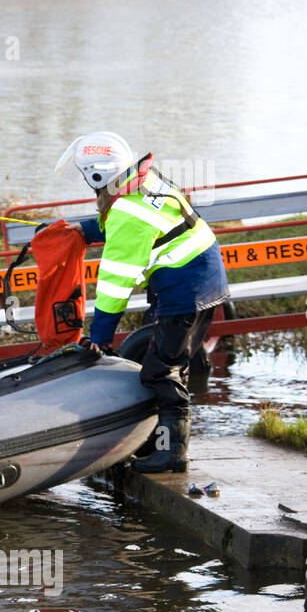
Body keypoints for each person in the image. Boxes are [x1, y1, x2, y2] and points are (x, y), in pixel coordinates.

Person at [54, 131, 229, 473]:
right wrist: (84, 230)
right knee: (169, 364)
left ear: (97, 176)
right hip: (203, 280)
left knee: (161, 372)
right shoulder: (143, 183)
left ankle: (171, 454)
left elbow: (114, 287)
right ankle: (157, 444)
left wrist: (100, 337)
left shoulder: (127, 212)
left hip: (186, 290)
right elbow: (142, 224)